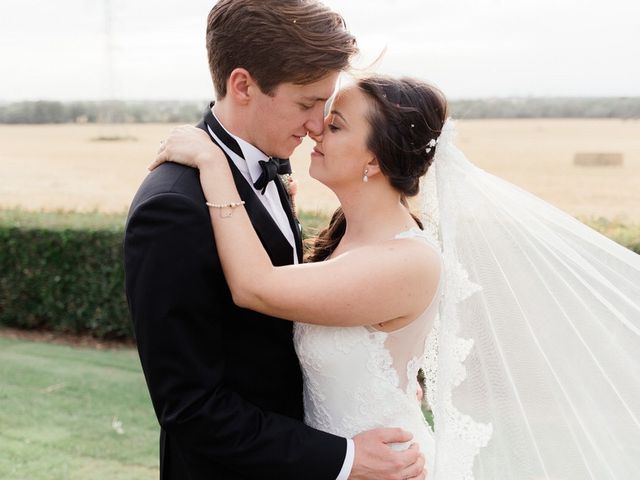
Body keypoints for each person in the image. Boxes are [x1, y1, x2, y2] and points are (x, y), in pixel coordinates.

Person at [153, 74, 640, 479]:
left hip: (383, 466)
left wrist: (213, 163)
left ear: (375, 160)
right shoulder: (349, 235)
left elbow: (255, 286)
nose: (317, 130)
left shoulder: (404, 262)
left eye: (337, 125)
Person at [124, 1, 426, 479]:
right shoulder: (173, 207)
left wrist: (388, 376)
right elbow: (191, 408)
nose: (314, 127)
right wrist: (345, 459)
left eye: (325, 110)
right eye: (306, 104)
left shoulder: (269, 167)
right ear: (243, 85)